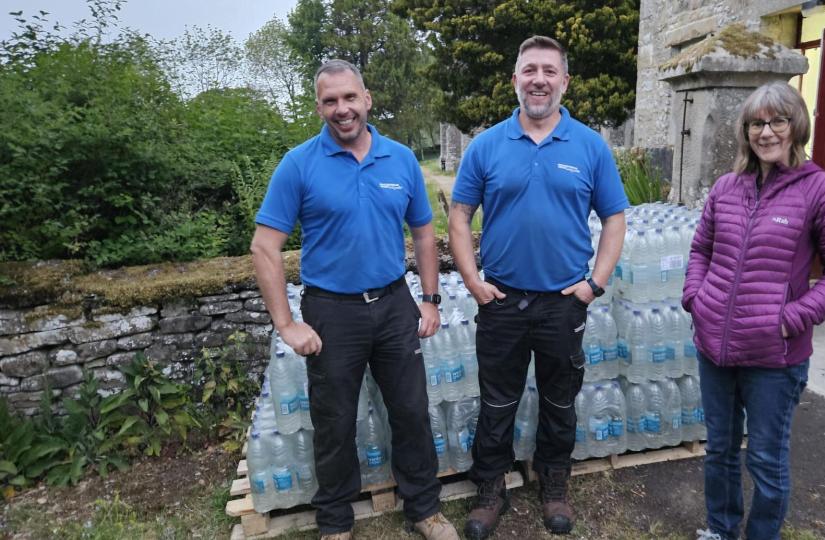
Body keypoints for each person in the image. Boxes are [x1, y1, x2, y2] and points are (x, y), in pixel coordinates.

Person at [250, 59, 459, 540]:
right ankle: (335, 522)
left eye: (349, 97)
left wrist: (430, 299)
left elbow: (424, 233)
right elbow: (264, 247)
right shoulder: (299, 164)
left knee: (411, 411)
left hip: (393, 304)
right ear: (319, 107)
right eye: (330, 101)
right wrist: (286, 324)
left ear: (367, 99)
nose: (342, 109)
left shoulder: (400, 159)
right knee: (334, 421)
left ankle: (425, 509)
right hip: (331, 311)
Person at [448, 36, 628, 539]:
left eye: (549, 71)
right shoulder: (486, 146)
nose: (539, 80)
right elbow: (459, 215)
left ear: (564, 81)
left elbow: (615, 219)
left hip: (563, 304)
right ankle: (491, 489)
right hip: (501, 301)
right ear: (515, 80)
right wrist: (473, 280)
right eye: (530, 70)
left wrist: (594, 284)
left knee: (559, 400)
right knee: (497, 401)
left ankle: (554, 484)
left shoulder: (589, 146)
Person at [682, 81, 825, 540]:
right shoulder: (727, 187)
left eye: (777, 121)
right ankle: (720, 529)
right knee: (720, 449)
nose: (766, 132)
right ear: (745, 131)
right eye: (756, 123)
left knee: (765, 458)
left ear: (796, 125)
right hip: (715, 346)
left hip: (774, 357)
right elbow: (701, 249)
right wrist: (696, 299)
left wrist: (791, 319)